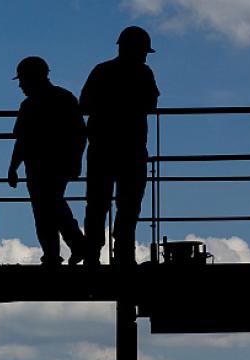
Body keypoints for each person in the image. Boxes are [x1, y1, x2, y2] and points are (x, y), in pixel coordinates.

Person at [80, 26, 160, 265]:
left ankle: (93, 254)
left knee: (97, 203)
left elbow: (83, 105)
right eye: (144, 51)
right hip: (131, 148)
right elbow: (151, 105)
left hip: (102, 148)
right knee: (129, 204)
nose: (145, 56)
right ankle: (123, 254)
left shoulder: (102, 71)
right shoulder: (144, 74)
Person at [7, 56, 87, 266]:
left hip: (40, 166)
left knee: (46, 210)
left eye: (22, 80)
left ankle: (60, 252)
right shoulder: (64, 98)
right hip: (56, 164)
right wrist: (76, 161)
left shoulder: (30, 105)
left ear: (32, 78)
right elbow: (80, 134)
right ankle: (69, 249)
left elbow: (22, 141)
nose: (21, 86)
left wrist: (13, 168)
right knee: (52, 207)